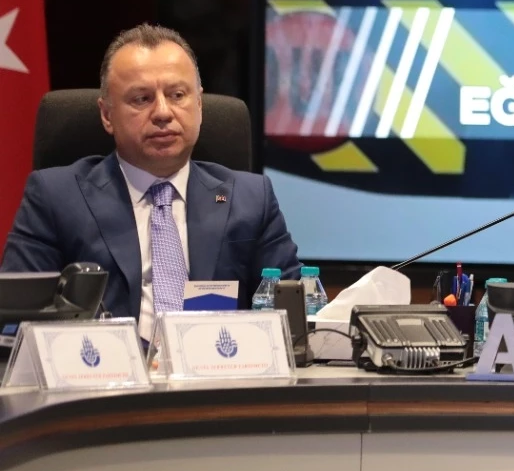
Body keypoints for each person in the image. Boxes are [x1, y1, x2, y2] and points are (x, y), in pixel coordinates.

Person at [2, 25, 301, 342]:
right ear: (107, 115)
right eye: (141, 99)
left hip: (217, 367)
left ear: (199, 105)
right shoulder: (55, 197)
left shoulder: (251, 198)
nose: (162, 112)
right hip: (105, 369)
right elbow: (15, 322)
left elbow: (294, 320)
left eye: (177, 95)